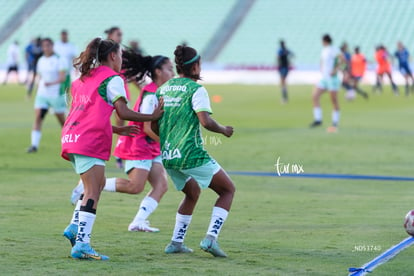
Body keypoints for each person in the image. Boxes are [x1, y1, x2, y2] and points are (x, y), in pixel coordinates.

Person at [61, 37, 164, 260]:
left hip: (73, 137)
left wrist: (117, 131)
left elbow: (86, 114)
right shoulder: (113, 79)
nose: (121, 61)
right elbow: (123, 112)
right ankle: (82, 244)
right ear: (113, 56)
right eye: (120, 55)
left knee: (95, 186)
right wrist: (152, 116)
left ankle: (74, 228)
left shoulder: (83, 78)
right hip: (89, 141)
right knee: (92, 191)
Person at [68, 54, 174, 233]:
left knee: (161, 185)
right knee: (135, 187)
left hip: (151, 146)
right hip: (138, 144)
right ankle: (85, 187)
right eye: (169, 69)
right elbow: (147, 128)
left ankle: (138, 222)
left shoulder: (158, 90)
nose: (173, 73)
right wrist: (169, 144)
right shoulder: (151, 95)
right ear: (157, 71)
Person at [153, 45, 235, 257]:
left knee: (192, 192)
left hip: (169, 156)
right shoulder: (196, 89)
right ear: (196, 65)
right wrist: (224, 130)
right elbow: (205, 122)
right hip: (190, 153)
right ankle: (210, 239)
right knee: (227, 190)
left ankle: (176, 242)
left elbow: (154, 125)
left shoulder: (163, 89)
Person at [27, 38, 67, 153]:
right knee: (38, 117)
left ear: (52, 46)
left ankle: (70, 142)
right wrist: (37, 87)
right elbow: (40, 77)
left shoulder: (59, 60)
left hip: (56, 94)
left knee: (62, 121)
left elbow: (62, 77)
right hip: (42, 94)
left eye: (48, 46)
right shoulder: (41, 60)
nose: (46, 48)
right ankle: (34, 145)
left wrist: (51, 83)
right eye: (44, 46)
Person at [105, 26, 128, 168]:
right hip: (105, 95)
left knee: (121, 125)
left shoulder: (122, 53)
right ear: (110, 35)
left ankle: (119, 155)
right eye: (118, 34)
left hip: (120, 94)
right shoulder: (103, 55)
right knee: (102, 124)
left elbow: (129, 73)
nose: (120, 37)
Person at [310, 34, 341, 133]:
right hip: (324, 78)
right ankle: (318, 120)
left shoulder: (333, 49)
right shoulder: (324, 50)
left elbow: (343, 59)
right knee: (314, 95)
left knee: (333, 100)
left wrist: (335, 70)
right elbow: (322, 61)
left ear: (325, 41)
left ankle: (335, 122)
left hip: (332, 79)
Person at [54, 30, 77, 94]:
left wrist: (76, 67)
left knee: (66, 87)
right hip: (58, 70)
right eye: (62, 35)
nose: (64, 36)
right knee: (58, 86)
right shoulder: (56, 45)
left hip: (67, 69)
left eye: (65, 35)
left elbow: (74, 57)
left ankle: (65, 98)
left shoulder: (71, 46)